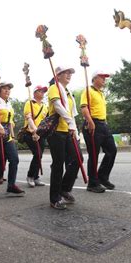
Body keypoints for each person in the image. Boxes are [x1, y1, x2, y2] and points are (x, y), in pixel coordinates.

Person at [0, 82, 25, 199]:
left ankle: (11, 185)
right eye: (4, 89)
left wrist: (12, 136)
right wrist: (0, 127)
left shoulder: (8, 104)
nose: (7, 91)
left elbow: (10, 122)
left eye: (9, 89)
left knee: (14, 159)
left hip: (7, 136)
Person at [47, 66, 80, 210]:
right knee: (58, 164)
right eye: (65, 73)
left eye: (70, 73)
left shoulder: (68, 92)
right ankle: (54, 198)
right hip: (56, 132)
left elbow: (72, 114)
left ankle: (64, 188)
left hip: (69, 131)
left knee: (77, 159)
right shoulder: (54, 88)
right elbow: (58, 107)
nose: (69, 75)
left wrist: (75, 130)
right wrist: (70, 122)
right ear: (58, 75)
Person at [81, 70, 117, 193]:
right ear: (95, 78)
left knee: (112, 150)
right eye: (102, 77)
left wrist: (105, 122)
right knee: (94, 154)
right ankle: (92, 183)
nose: (104, 80)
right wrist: (90, 122)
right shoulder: (88, 90)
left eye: (105, 78)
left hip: (103, 124)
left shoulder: (100, 93)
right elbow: (84, 107)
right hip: (92, 123)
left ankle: (102, 176)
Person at [23, 85, 48, 188]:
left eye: (43, 91)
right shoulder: (29, 103)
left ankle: (36, 176)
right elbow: (29, 118)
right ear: (35, 93)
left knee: (39, 155)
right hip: (30, 133)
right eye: (40, 91)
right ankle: (30, 176)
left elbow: (46, 120)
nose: (42, 93)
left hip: (41, 134)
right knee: (37, 154)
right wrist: (34, 132)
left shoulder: (44, 106)